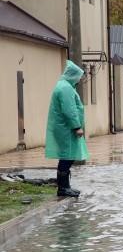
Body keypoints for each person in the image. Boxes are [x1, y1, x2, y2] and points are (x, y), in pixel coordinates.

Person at [45, 60, 89, 198]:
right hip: (66, 129)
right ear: (73, 75)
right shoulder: (65, 88)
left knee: (67, 156)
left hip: (65, 128)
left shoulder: (65, 86)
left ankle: (65, 186)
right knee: (67, 157)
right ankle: (63, 188)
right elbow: (69, 110)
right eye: (78, 77)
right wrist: (76, 126)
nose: (79, 80)